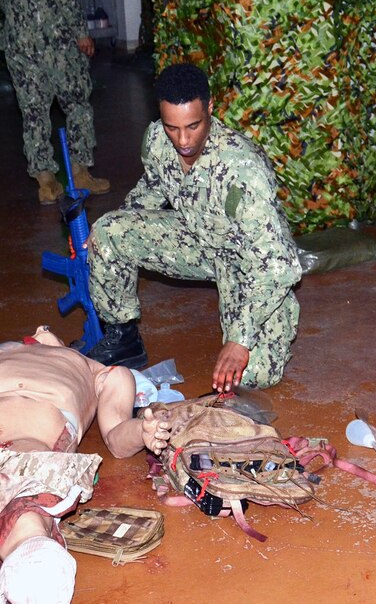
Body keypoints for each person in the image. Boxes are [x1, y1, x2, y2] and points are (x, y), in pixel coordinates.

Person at [85, 63, 303, 389]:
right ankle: (123, 339)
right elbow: (154, 187)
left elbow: (279, 263)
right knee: (107, 230)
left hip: (245, 259)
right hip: (195, 238)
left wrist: (240, 340)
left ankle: (262, 330)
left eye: (193, 125)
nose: (183, 139)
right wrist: (114, 231)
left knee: (251, 377)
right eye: (173, 127)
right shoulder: (158, 139)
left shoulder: (242, 168)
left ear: (210, 107)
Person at [0, 326, 171, 604]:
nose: (40, 330)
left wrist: (142, 432)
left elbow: (116, 439)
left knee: (25, 513)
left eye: (46, 329)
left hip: (29, 444)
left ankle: (33, 563)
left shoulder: (102, 373)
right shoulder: (8, 348)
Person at [0, 0, 110, 205]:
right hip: (56, 38)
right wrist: (80, 32)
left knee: (32, 109)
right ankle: (80, 171)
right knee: (76, 101)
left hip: (18, 39)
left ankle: (46, 182)